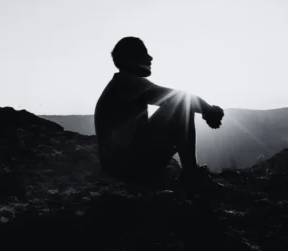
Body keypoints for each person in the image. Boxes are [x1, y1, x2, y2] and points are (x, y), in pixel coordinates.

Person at [94, 36, 225, 188]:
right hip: (128, 168)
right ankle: (191, 176)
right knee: (181, 106)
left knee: (179, 105)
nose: (150, 58)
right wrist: (209, 112)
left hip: (121, 166)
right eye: (144, 53)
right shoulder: (128, 82)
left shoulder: (121, 83)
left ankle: (190, 175)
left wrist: (208, 111)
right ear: (131, 59)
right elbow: (180, 98)